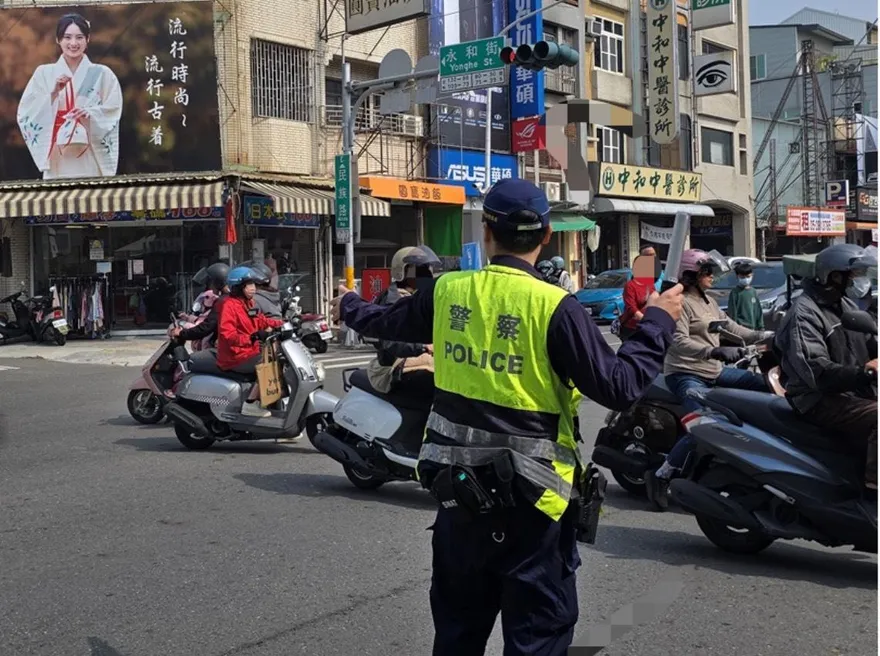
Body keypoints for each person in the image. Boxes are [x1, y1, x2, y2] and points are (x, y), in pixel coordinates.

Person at [330, 178, 683, 656]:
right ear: (545, 236)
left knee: (457, 635)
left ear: (487, 233)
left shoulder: (448, 292)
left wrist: (348, 301)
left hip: (460, 498)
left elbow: (378, 321)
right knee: (536, 639)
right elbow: (618, 386)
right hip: (534, 509)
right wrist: (659, 321)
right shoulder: (556, 307)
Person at [645, 249, 773, 511]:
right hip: (686, 374)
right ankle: (661, 475)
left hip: (714, 371)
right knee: (703, 423)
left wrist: (767, 336)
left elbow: (732, 327)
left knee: (763, 385)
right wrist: (712, 350)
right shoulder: (679, 303)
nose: (712, 277)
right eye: (707, 272)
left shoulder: (709, 301)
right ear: (692, 275)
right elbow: (678, 341)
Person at [775, 243, 878, 490]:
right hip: (818, 399)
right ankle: (874, 490)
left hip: (850, 391)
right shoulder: (805, 313)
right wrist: (864, 373)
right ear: (834, 276)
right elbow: (815, 371)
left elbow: (869, 341)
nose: (860, 281)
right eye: (855, 275)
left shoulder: (845, 305)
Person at [17, 13, 123, 180]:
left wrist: (91, 113)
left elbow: (113, 110)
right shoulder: (44, 73)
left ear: (87, 39)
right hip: (58, 156)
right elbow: (26, 113)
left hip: (88, 154)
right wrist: (52, 94)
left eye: (79, 37)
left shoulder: (103, 74)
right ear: (58, 40)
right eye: (67, 37)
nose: (73, 43)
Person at [366, 246, 439, 400]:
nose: (424, 276)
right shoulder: (392, 301)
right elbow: (390, 342)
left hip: (416, 360)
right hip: (391, 368)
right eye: (417, 271)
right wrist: (423, 347)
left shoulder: (421, 298)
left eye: (426, 270)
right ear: (402, 272)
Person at [216, 265, 285, 418]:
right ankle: (250, 404)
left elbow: (261, 321)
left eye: (254, 284)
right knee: (267, 363)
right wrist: (252, 337)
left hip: (250, 350)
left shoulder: (249, 304)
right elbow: (227, 335)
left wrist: (283, 323)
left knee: (279, 359)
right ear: (239, 287)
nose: (253, 288)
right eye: (249, 285)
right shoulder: (229, 306)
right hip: (235, 356)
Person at [171, 262, 230, 353]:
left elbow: (206, 327)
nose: (208, 285)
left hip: (222, 351)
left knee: (192, 363)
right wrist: (188, 318)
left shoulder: (223, 302)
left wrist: (182, 333)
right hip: (224, 347)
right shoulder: (229, 298)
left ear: (217, 283)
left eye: (210, 282)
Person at [619, 254, 660, 341]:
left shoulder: (650, 284)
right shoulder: (630, 285)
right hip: (632, 327)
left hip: (647, 326)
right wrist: (643, 318)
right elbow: (631, 307)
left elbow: (655, 301)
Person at [726, 262, 764, 330]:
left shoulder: (753, 292)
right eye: (742, 277)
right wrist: (734, 328)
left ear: (752, 275)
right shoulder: (735, 293)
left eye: (748, 277)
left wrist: (761, 326)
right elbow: (732, 312)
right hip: (741, 328)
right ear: (737, 276)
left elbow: (758, 311)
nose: (745, 279)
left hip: (753, 328)